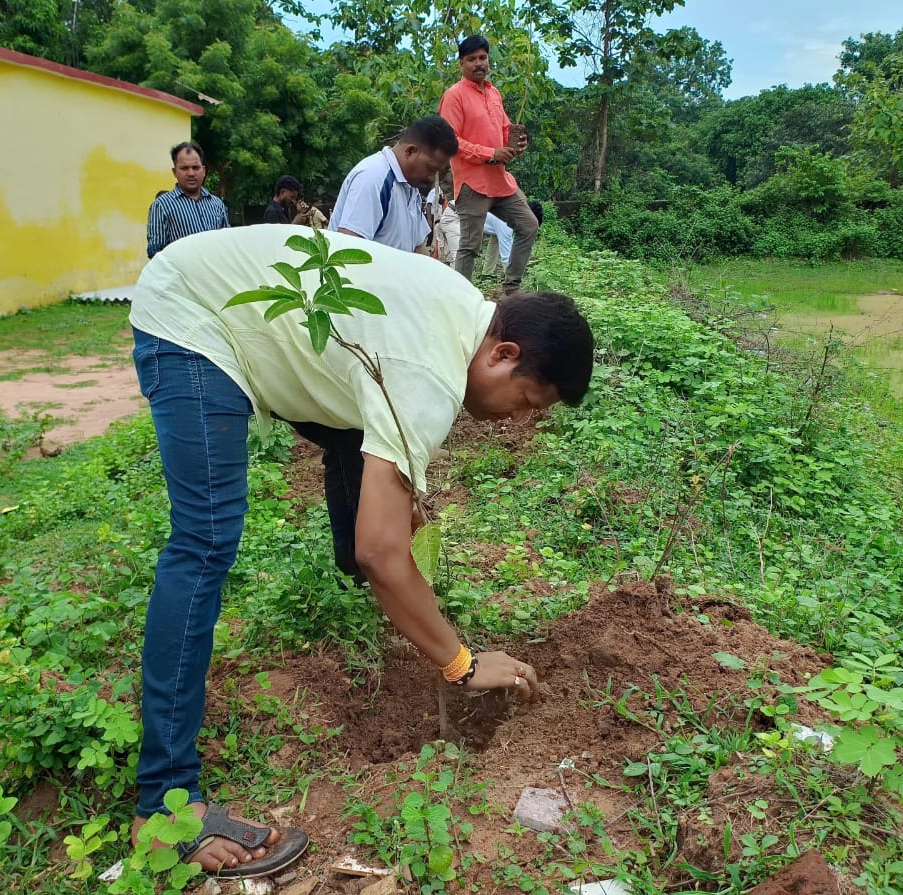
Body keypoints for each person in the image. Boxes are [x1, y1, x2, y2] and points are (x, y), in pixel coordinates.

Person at [127, 225, 594, 877]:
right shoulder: (430, 373)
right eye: (528, 401)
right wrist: (461, 660)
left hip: (243, 301)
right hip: (197, 315)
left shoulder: (458, 311)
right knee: (205, 539)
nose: (521, 420)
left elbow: (380, 453)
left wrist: (403, 553)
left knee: (366, 466)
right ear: (503, 353)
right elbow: (383, 548)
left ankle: (383, 595)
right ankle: (165, 808)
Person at [438, 34, 539, 294]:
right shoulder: (454, 95)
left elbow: (504, 129)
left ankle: (511, 289)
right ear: (461, 64)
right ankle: (459, 298)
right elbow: (451, 140)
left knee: (528, 225)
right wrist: (490, 153)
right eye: (471, 59)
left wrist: (516, 143)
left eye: (482, 58)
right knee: (470, 245)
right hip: (472, 182)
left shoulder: (493, 92)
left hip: (500, 181)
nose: (478, 63)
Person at [328, 115, 458, 252]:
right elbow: (348, 251)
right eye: (430, 168)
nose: (432, 178)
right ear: (410, 151)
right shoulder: (373, 177)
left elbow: (418, 248)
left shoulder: (410, 187)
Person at [146, 141, 228, 258]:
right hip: (181, 275)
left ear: (203, 171)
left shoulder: (217, 204)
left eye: (195, 167)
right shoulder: (161, 206)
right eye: (184, 168)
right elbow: (155, 252)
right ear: (175, 172)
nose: (191, 173)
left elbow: (226, 245)